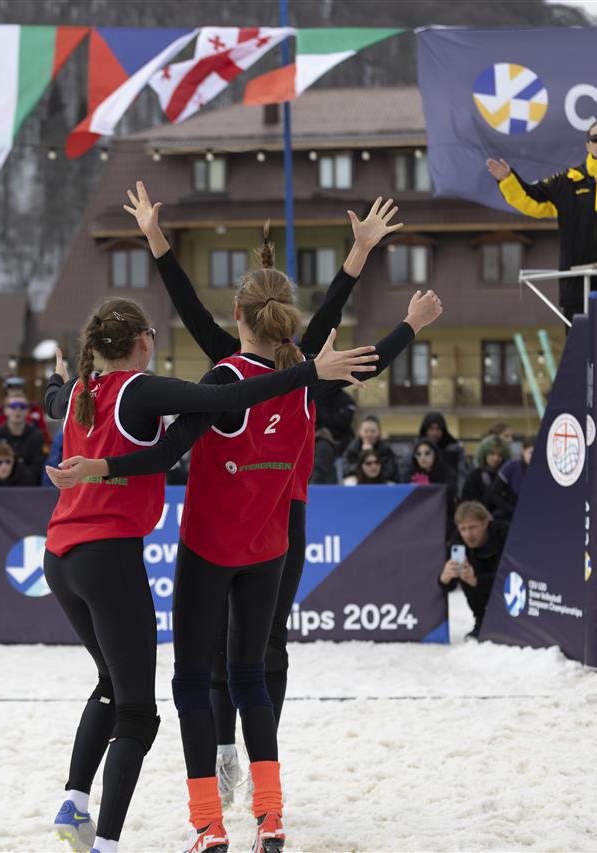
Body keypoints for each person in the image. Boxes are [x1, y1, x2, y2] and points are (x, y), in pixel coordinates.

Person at [58, 183, 431, 837]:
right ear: (288, 319)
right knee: (258, 663)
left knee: (207, 671)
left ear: (239, 314)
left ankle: (213, 807)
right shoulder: (309, 374)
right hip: (277, 533)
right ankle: (264, 799)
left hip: (216, 540)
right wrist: (385, 295)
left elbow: (185, 358)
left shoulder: (230, 379)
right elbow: (356, 355)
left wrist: (157, 241)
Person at [39, 295, 378, 853]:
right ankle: (115, 842)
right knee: (145, 710)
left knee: (119, 684)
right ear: (144, 342)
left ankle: (82, 802)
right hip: (118, 557)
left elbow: (56, 401)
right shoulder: (141, 389)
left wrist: (57, 380)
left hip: (60, 557)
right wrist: (311, 372)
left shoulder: (80, 389)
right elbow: (228, 397)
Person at [486, 120, 597, 319]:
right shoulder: (569, 181)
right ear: (588, 146)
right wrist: (508, 180)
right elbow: (532, 200)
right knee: (579, 338)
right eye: (595, 139)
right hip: (576, 285)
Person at [440, 502, 509, 638]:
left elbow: (509, 578)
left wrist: (476, 580)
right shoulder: (457, 540)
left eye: (472, 527)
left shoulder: (504, 534)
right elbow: (450, 586)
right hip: (479, 588)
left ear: (485, 523)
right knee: (463, 572)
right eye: (463, 529)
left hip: (507, 589)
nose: (468, 534)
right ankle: (481, 620)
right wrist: (445, 577)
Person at [0, 392, 47, 474]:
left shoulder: (37, 437)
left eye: (22, 406)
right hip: (0, 481)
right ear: (5, 410)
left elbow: (39, 467)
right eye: (13, 406)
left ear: (28, 410)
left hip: (29, 481)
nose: (18, 410)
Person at [0, 377, 53, 444]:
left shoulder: (35, 409)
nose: (15, 390)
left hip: (30, 444)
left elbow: (44, 433)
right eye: (11, 387)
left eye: (18, 387)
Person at [341, 414, 400, 483]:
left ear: (379, 432)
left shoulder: (386, 449)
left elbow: (390, 472)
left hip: (380, 481)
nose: (369, 435)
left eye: (373, 431)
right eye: (366, 431)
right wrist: (363, 456)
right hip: (359, 480)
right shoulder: (352, 448)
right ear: (360, 432)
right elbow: (346, 469)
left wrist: (373, 455)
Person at [486, 444, 533, 523]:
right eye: (531, 452)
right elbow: (493, 493)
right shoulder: (512, 466)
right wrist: (512, 510)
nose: (534, 456)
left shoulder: (543, 470)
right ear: (523, 451)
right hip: (510, 516)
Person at [418, 412, 465, 491]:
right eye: (431, 429)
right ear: (425, 430)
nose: (435, 433)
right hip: (422, 494)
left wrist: (459, 494)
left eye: (438, 429)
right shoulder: (417, 448)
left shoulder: (454, 449)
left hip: (449, 493)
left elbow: (462, 474)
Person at [461, 434, 510, 507]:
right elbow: (467, 501)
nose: (496, 458)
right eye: (492, 454)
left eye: (500, 455)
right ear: (484, 454)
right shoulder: (475, 475)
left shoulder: (506, 475)